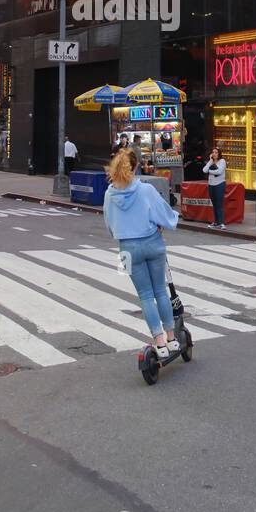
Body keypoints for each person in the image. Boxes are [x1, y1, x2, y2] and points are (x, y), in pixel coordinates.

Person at [103, 148, 180, 359]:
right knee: (160, 291)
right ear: (136, 167)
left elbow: (109, 226)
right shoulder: (145, 190)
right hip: (152, 243)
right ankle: (172, 338)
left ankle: (159, 342)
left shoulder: (109, 194)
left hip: (127, 248)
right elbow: (165, 215)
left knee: (145, 296)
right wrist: (170, 219)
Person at [202, 146, 227, 229]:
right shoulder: (211, 161)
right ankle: (216, 222)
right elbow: (204, 170)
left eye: (216, 152)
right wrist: (210, 161)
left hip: (219, 184)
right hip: (211, 185)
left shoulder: (222, 161)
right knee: (214, 204)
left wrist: (210, 171)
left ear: (219, 154)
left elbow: (219, 171)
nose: (214, 154)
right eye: (213, 152)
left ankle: (222, 222)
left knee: (219, 203)